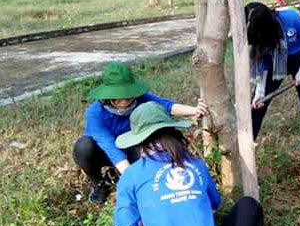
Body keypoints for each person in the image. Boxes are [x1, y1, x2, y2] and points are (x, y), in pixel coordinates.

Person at [114, 101, 263, 226]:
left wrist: (153, 210)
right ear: (172, 131)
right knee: (249, 206)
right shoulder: (196, 164)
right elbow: (215, 204)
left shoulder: (131, 175)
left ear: (139, 141)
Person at [73, 61, 208, 204]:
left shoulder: (141, 99)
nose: (125, 101)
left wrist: (194, 110)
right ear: (108, 96)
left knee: (153, 154)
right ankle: (100, 184)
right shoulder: (95, 113)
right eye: (119, 98)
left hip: (135, 147)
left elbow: (165, 106)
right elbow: (110, 147)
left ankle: (129, 174)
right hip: (105, 152)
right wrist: (132, 180)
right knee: (83, 147)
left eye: (128, 96)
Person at [246, 2, 300, 158]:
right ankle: (246, 146)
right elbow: (261, 59)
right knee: (257, 106)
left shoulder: (291, 17)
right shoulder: (258, 34)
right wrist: (260, 90)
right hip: (275, 64)